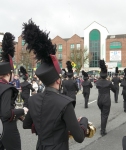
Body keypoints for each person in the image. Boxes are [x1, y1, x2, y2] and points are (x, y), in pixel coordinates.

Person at [22, 19, 88, 150]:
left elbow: (26, 124)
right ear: (58, 80)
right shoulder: (65, 103)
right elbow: (79, 137)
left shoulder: (33, 99)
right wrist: (83, 121)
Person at [0, 32, 28, 150]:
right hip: (9, 131)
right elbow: (6, 113)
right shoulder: (7, 89)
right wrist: (22, 110)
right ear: (8, 74)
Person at [96, 60, 116, 136]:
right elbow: (114, 90)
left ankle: (102, 127)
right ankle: (102, 130)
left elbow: (98, 85)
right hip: (106, 100)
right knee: (105, 115)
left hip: (100, 99)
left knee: (103, 113)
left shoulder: (98, 82)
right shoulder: (109, 83)